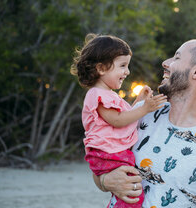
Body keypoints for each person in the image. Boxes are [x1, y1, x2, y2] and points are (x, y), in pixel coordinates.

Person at [94, 39, 196, 208]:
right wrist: (105, 181)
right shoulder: (141, 113)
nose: (165, 63)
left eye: (177, 58)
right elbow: (100, 163)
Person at [71, 34, 167, 208]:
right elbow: (117, 120)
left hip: (113, 152)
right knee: (131, 191)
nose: (127, 72)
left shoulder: (109, 95)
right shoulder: (97, 95)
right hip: (108, 153)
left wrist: (140, 101)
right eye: (122, 66)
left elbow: (126, 115)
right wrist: (145, 108)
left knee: (129, 189)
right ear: (101, 68)